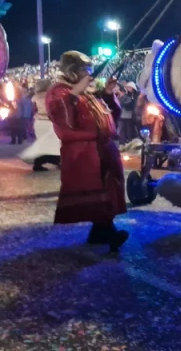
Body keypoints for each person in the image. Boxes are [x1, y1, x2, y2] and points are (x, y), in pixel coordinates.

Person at [45, 51, 129, 252]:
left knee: (108, 189)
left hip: (103, 147)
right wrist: (73, 94)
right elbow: (61, 119)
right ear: (72, 71)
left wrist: (108, 93)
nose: (89, 74)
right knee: (97, 191)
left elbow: (110, 114)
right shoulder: (59, 91)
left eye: (89, 70)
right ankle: (109, 232)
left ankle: (99, 232)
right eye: (85, 69)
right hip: (84, 150)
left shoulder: (87, 91)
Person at [20, 79, 62, 171]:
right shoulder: (51, 95)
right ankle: (53, 161)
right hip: (49, 122)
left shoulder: (35, 97)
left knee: (44, 143)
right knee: (54, 143)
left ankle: (41, 162)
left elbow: (33, 110)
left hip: (39, 122)